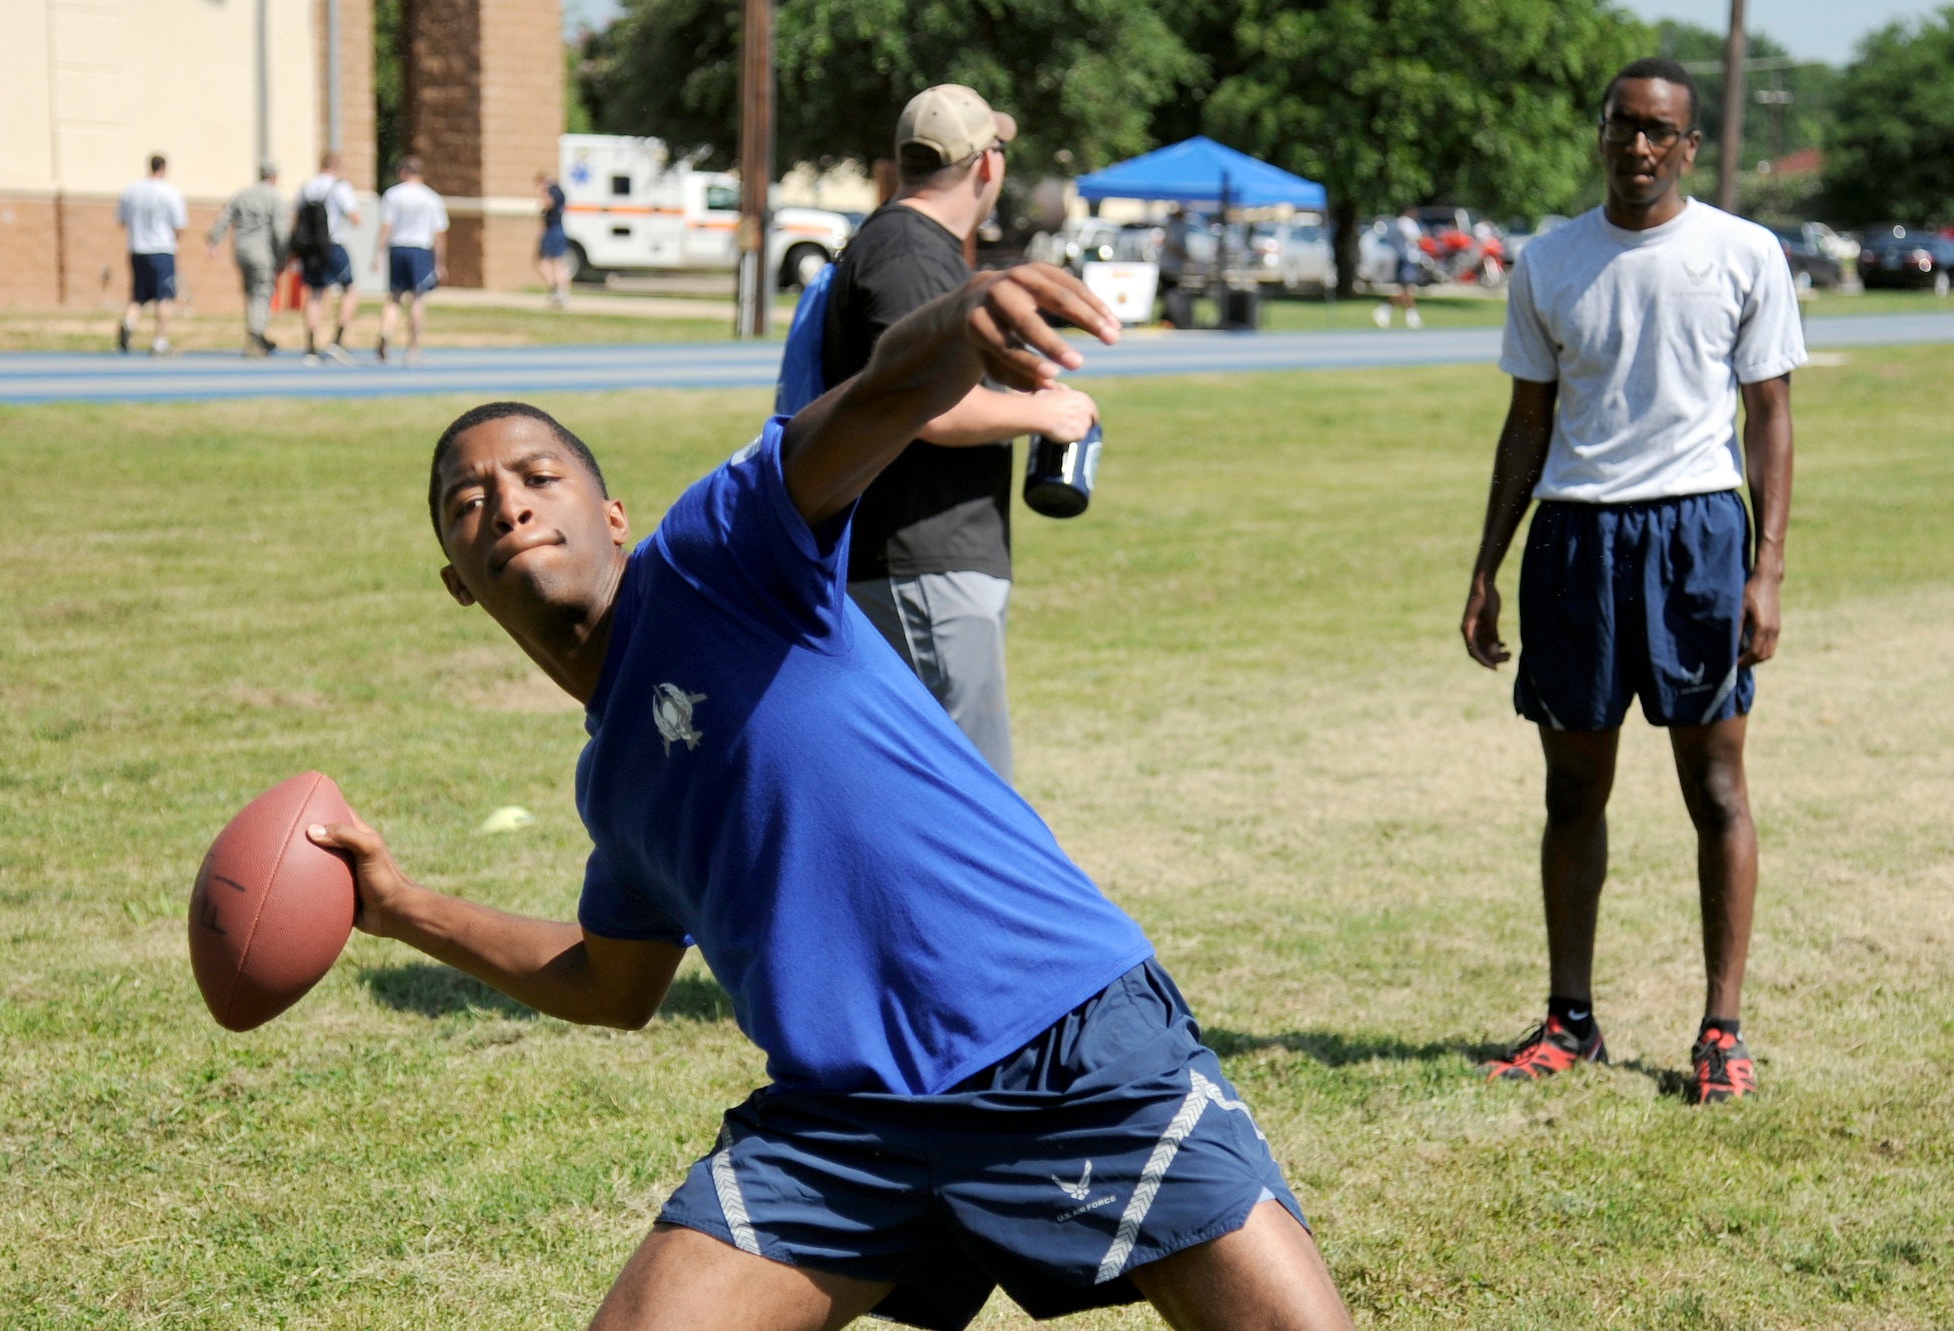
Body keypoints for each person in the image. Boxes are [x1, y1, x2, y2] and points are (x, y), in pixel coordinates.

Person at [306, 263, 1356, 1331]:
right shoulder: (611, 783)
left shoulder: (719, 551)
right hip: (844, 1123)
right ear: (455, 574)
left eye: (535, 474)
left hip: (1064, 1043)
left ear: (613, 514)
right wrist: (395, 908)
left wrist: (957, 319)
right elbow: (610, 980)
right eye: (467, 503)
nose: (507, 502)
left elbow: (875, 401)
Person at [1460, 57, 1804, 1104]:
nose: (1639, 146)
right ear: (1600, 132)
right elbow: (1525, 423)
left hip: (1696, 535)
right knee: (1571, 789)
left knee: (1714, 786)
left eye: (1660, 130)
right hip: (1573, 540)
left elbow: (1770, 417)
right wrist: (1485, 564)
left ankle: (1720, 1028)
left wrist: (1766, 568)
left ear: (1688, 146)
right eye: (1623, 125)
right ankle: (1570, 1018)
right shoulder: (1549, 259)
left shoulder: (1741, 252)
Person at [821, 84, 1099, 781]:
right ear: (986, 165)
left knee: (929, 792)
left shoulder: (914, 247)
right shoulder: (909, 255)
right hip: (921, 560)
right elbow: (925, 406)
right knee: (971, 797)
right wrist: (1047, 414)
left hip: (926, 560)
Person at [206, 162, 289, 357]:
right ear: (274, 177)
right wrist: (282, 256)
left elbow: (224, 218)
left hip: (242, 251)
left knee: (251, 294)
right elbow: (280, 231)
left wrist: (213, 241)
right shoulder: (275, 198)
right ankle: (255, 336)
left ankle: (256, 334)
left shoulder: (241, 195)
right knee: (262, 293)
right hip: (262, 252)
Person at [375, 155, 449, 367]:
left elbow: (386, 226)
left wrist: (378, 254)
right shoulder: (431, 198)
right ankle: (413, 348)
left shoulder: (392, 194)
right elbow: (439, 234)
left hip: (398, 247)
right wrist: (440, 263)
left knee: (394, 299)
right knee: (417, 299)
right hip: (420, 249)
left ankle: (385, 334)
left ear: (403, 172)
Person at [293, 151, 362, 365]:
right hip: (333, 244)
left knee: (314, 294)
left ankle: (311, 347)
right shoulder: (340, 186)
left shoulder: (306, 186)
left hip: (311, 247)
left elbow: (295, 215)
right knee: (350, 290)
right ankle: (337, 341)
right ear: (336, 166)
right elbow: (355, 217)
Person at [115, 154, 187, 356]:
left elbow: (121, 221)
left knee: (139, 295)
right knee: (164, 297)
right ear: (163, 168)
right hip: (162, 249)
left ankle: (129, 322)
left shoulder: (131, 190)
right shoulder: (170, 192)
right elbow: (179, 225)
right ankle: (159, 341)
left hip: (137, 249)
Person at [1372, 205, 1423, 329]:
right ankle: (1387, 310)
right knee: (1406, 289)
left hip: (1401, 258)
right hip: (1408, 258)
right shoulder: (1406, 223)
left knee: (1407, 289)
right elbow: (1417, 239)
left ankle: (1410, 315)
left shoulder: (1395, 223)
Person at [535, 171, 570, 307]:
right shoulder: (559, 191)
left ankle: (558, 290)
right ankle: (558, 290)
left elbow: (548, 203)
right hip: (556, 230)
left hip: (553, 231)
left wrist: (542, 192)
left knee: (553, 262)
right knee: (551, 262)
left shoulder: (552, 192)